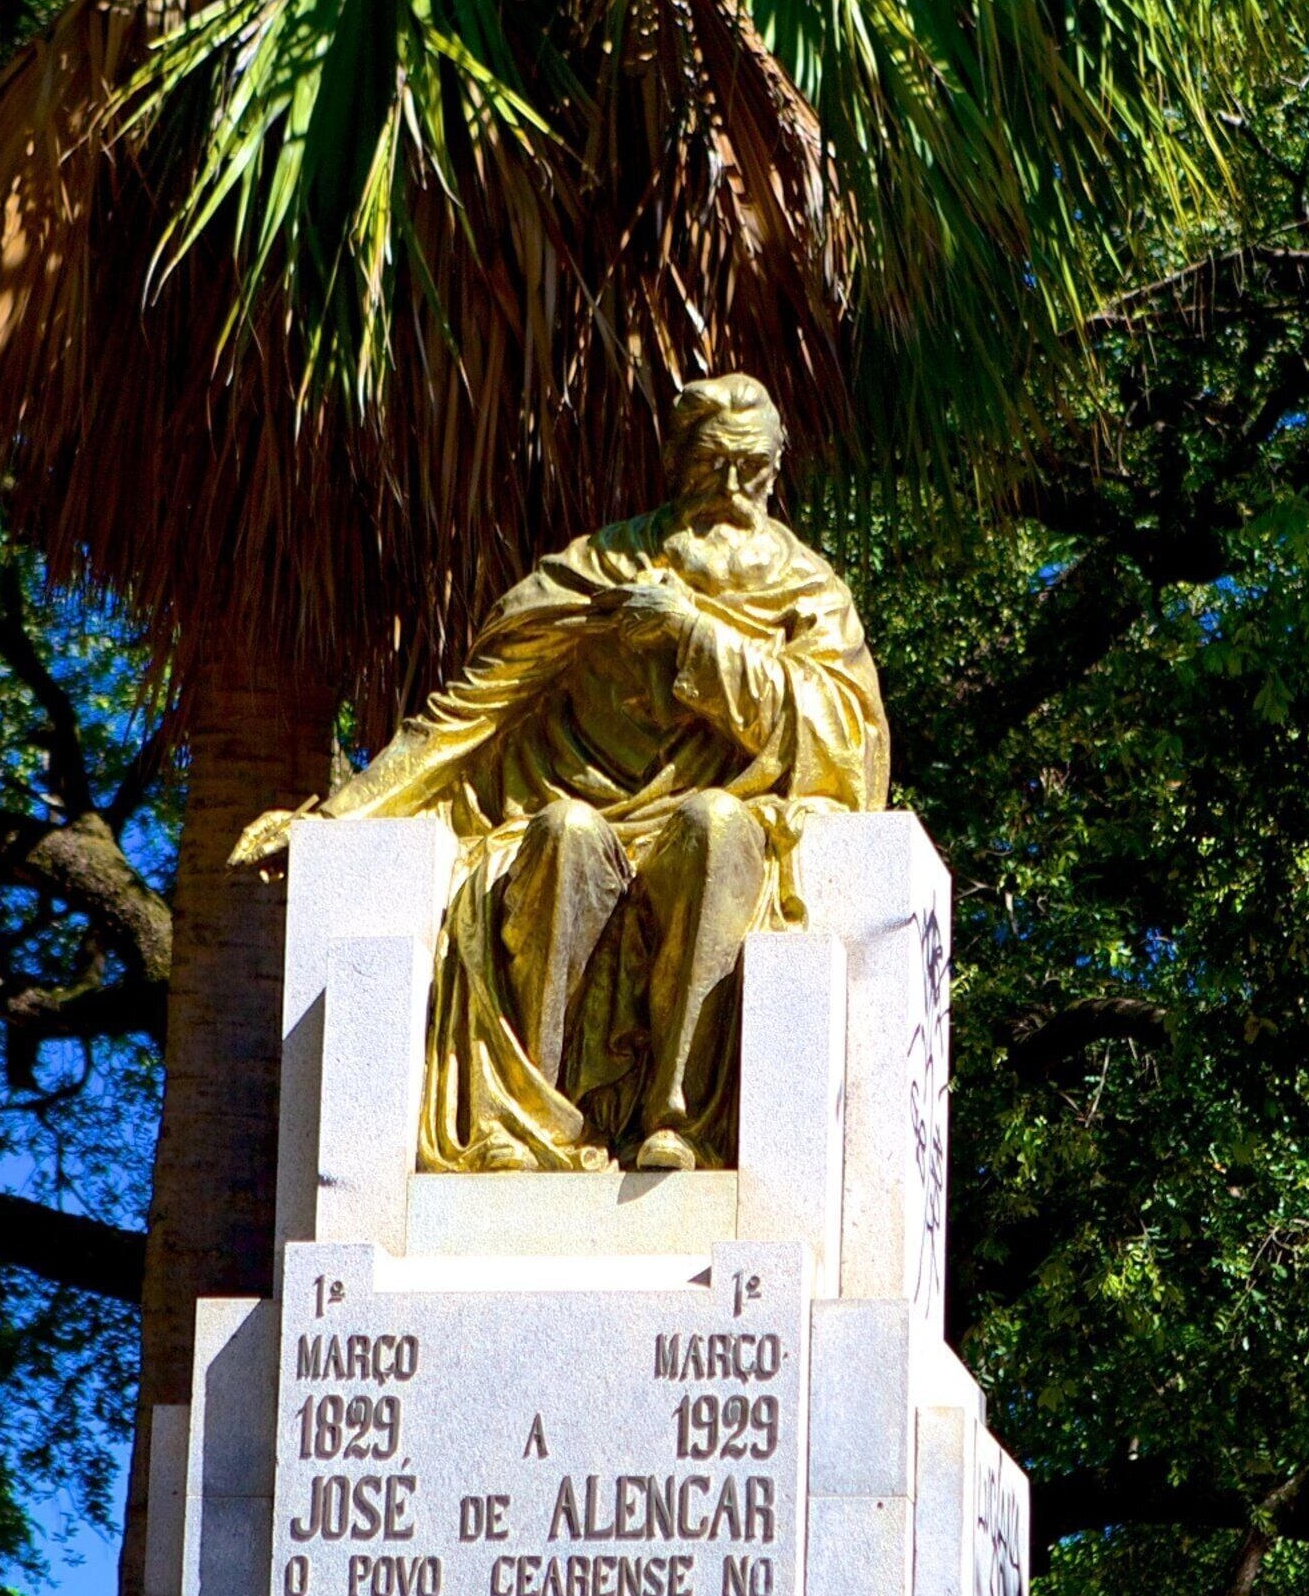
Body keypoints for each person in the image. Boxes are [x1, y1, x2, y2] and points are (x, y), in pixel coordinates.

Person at [232, 373, 891, 1171]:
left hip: (716, 823)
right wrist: (338, 819)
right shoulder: (596, 570)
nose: (732, 488)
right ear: (678, 464)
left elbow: (844, 743)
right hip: (584, 818)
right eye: (714, 464)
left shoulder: (809, 591)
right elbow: (467, 714)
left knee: (715, 826)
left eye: (749, 468)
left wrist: (694, 637)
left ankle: (675, 1120)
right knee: (561, 834)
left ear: (775, 468)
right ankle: (531, 1122)